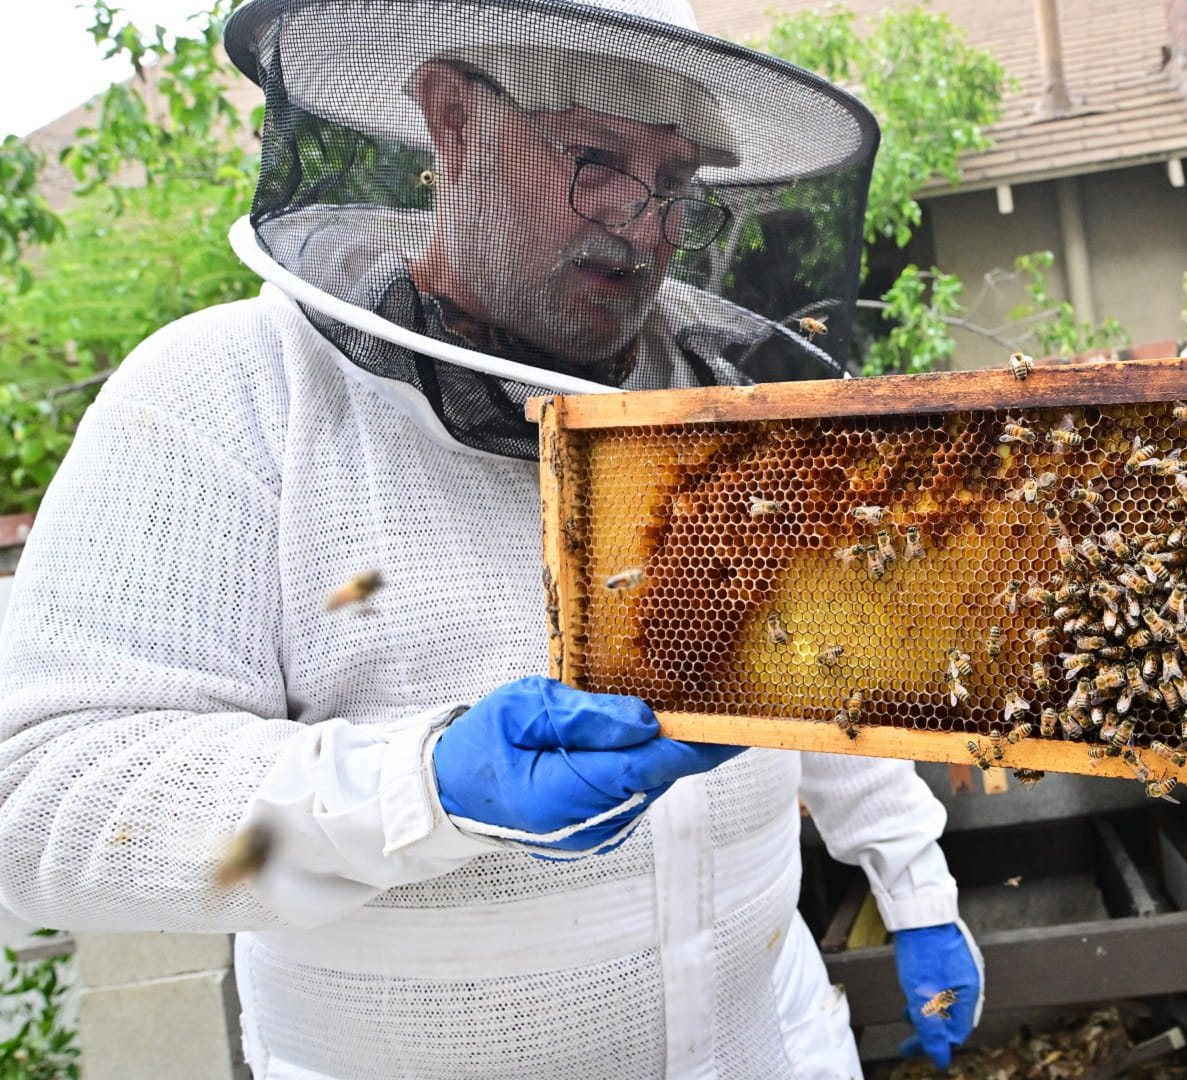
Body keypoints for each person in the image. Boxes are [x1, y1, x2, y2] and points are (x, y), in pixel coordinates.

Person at [0, 0, 982, 1075]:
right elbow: (41, 800)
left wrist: (915, 881)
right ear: (451, 122)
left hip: (774, 1041)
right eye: (594, 157)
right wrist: (420, 787)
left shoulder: (728, 406)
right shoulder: (226, 394)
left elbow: (813, 674)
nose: (642, 223)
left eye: (676, 183)